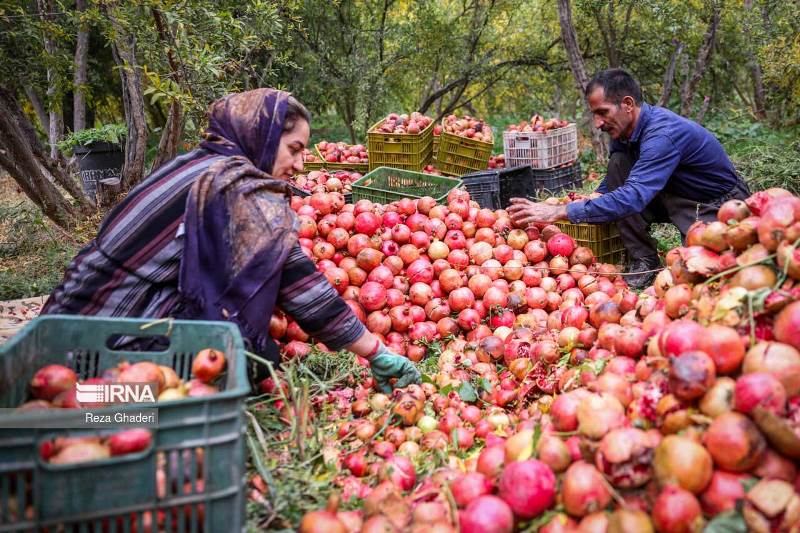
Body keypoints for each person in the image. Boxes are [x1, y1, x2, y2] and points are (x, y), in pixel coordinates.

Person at [42, 88, 419, 393]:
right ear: (265, 138)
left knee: (253, 356)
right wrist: (375, 351)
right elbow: (298, 283)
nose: (302, 165)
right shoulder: (234, 188)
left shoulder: (201, 164)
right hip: (102, 338)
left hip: (66, 319)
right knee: (236, 367)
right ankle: (108, 407)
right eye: (295, 149)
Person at [507, 69, 749, 289]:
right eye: (594, 114)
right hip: (671, 190)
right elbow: (618, 174)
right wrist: (598, 194)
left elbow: (632, 196)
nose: (598, 123)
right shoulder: (623, 130)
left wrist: (559, 211)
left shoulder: (661, 135)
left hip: (715, 202)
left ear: (628, 104)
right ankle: (643, 258)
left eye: (603, 112)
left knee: (698, 274)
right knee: (619, 164)